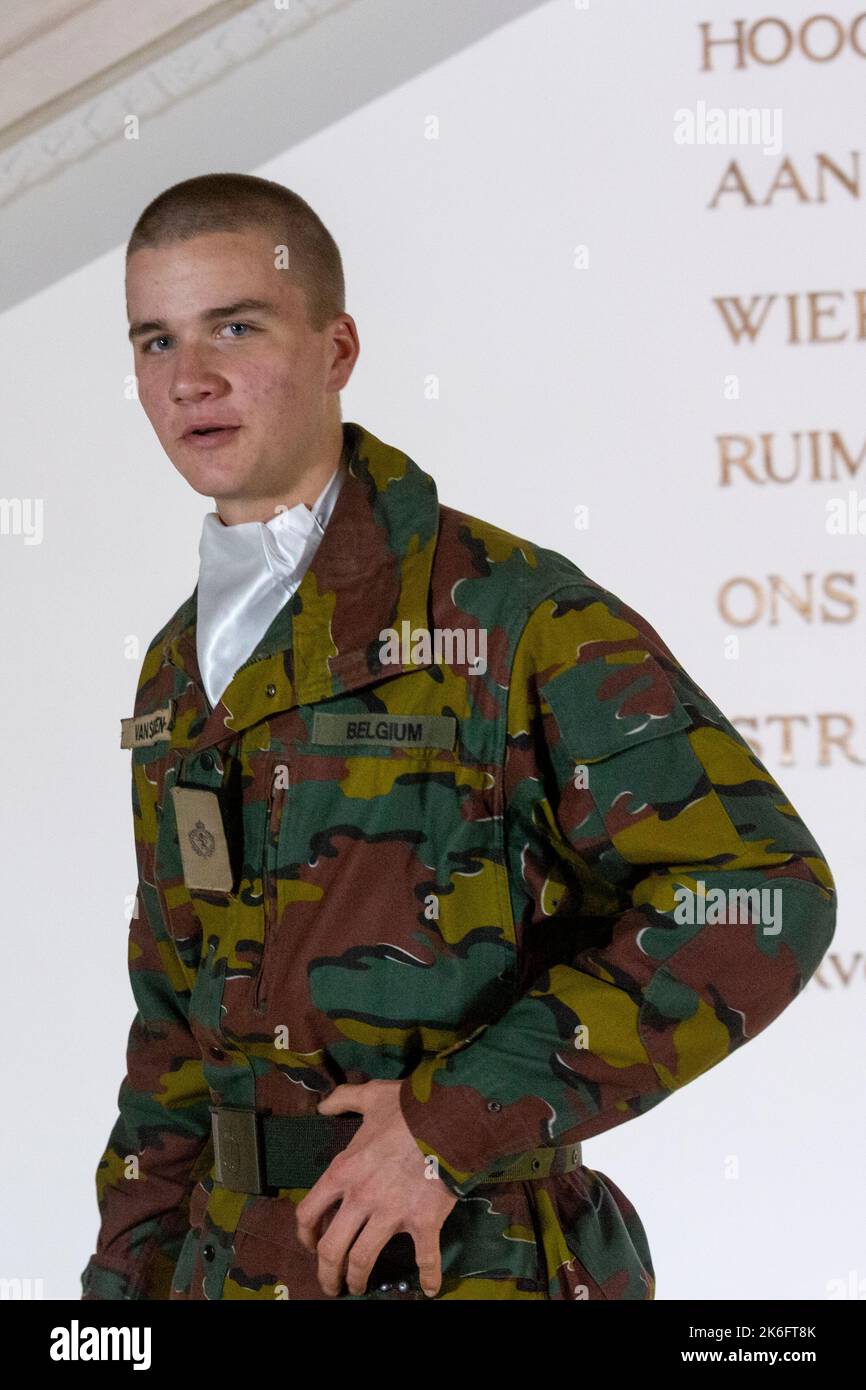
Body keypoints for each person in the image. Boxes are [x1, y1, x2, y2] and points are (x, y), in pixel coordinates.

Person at [81, 173, 837, 1302]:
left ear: (336, 348)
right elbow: (172, 1023)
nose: (191, 379)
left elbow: (761, 889)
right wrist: (120, 1298)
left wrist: (450, 1121)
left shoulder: (507, 616)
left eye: (235, 327)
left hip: (469, 1266)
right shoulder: (177, 671)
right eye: (156, 341)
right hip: (227, 1266)